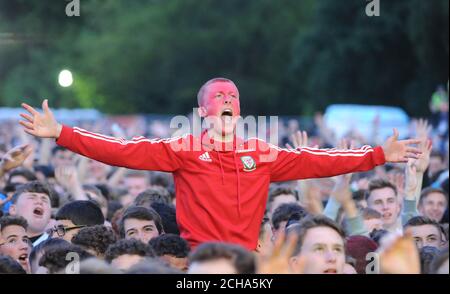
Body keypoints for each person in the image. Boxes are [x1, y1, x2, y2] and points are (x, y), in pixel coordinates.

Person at [19, 78, 422, 250]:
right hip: (198, 266)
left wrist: (379, 155)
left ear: (241, 109)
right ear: (202, 111)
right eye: (219, 99)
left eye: (233, 98)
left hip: (249, 268)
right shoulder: (184, 149)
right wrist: (62, 133)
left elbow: (313, 160)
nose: (227, 103)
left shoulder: (262, 153)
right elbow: (122, 149)